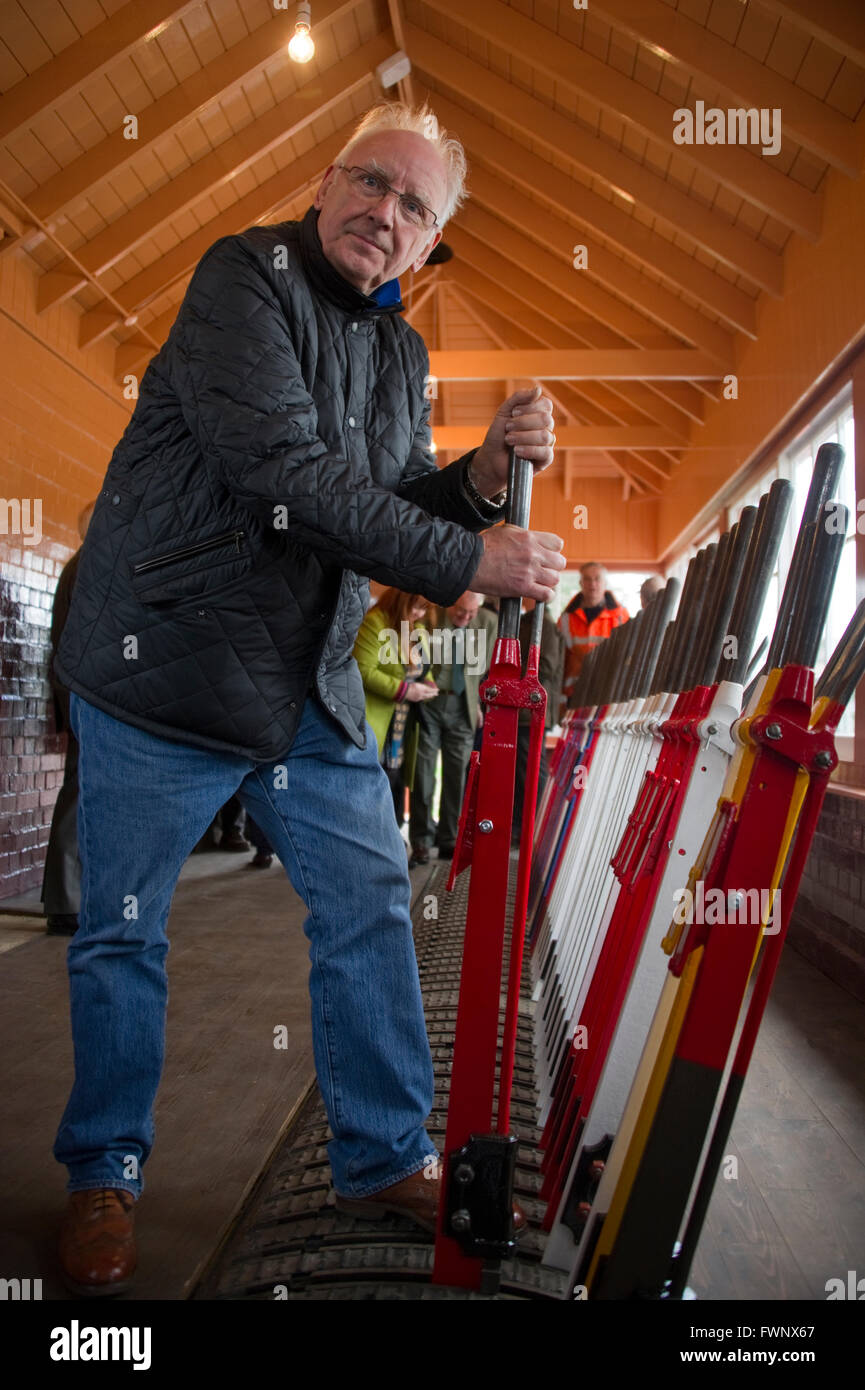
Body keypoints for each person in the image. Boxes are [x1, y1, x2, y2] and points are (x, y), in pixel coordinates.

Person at [52, 100, 564, 1295]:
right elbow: (284, 478)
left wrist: (480, 484)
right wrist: (473, 562)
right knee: (124, 933)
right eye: (372, 184)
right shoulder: (242, 278)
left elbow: (382, 508)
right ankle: (103, 1172)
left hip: (302, 684)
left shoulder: (400, 352)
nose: (384, 215)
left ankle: (382, 1153)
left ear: (429, 244)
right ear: (326, 180)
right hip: (160, 670)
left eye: (413, 208)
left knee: (373, 900)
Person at [408, 591, 497, 866]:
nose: (465, 617)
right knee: (423, 775)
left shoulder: (488, 622)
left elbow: (485, 670)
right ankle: (421, 841)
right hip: (429, 704)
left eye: (471, 613)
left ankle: (450, 839)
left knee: (457, 776)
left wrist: (479, 705)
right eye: (460, 611)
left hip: (463, 707)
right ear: (449, 603)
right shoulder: (431, 616)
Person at [41, 500, 95, 936]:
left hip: (81, 693)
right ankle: (64, 902)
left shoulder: (80, 567)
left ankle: (67, 897)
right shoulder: (87, 569)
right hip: (85, 696)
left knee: (81, 790)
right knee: (78, 792)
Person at [353, 588, 438, 827]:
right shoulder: (375, 622)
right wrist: (405, 690)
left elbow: (423, 668)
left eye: (424, 608)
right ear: (402, 599)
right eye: (417, 606)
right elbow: (362, 669)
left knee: (396, 780)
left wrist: (429, 683)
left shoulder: (417, 629)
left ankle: (388, 834)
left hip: (404, 723)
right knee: (373, 781)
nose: (419, 613)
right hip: (377, 718)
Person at [512, 599, 565, 842]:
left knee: (530, 769)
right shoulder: (530, 622)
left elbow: (545, 667)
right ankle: (523, 827)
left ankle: (530, 829)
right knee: (522, 770)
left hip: (531, 709)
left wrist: (512, 677)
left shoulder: (543, 625)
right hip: (524, 707)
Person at [558, 562, 629, 714]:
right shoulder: (566, 619)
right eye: (587, 579)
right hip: (575, 694)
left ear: (605, 583)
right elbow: (559, 662)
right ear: (580, 583)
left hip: (610, 693)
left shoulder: (621, 617)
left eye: (597, 579)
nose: (593, 584)